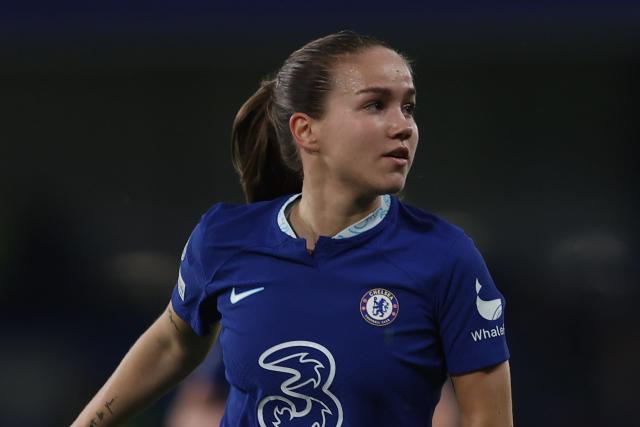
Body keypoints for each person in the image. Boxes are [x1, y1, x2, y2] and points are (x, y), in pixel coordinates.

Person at [71, 30, 512, 427]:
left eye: (408, 107)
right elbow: (173, 341)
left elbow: (486, 419)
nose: (403, 127)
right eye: (376, 105)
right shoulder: (225, 238)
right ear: (306, 130)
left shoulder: (445, 256)